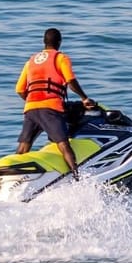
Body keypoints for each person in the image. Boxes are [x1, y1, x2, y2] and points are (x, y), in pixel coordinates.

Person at [15, 28, 95, 179]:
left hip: (31, 108)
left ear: (44, 42)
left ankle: (12, 178)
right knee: (63, 144)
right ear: (59, 42)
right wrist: (84, 98)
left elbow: (19, 89)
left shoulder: (30, 61)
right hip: (51, 108)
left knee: (24, 146)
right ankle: (77, 178)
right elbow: (70, 81)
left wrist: (33, 100)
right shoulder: (60, 58)